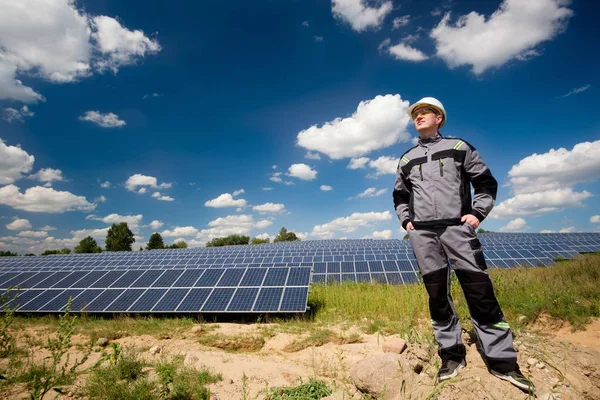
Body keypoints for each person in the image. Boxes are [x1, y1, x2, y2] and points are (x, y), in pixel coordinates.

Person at [392, 97, 535, 393]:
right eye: (414, 114)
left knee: (479, 290)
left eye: (424, 113)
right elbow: (399, 196)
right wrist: (407, 221)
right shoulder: (406, 159)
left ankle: (503, 361)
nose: (418, 117)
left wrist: (476, 214)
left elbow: (485, 183)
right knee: (436, 295)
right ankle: (451, 356)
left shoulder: (459, 148)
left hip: (457, 229)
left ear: (438, 118)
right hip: (423, 235)